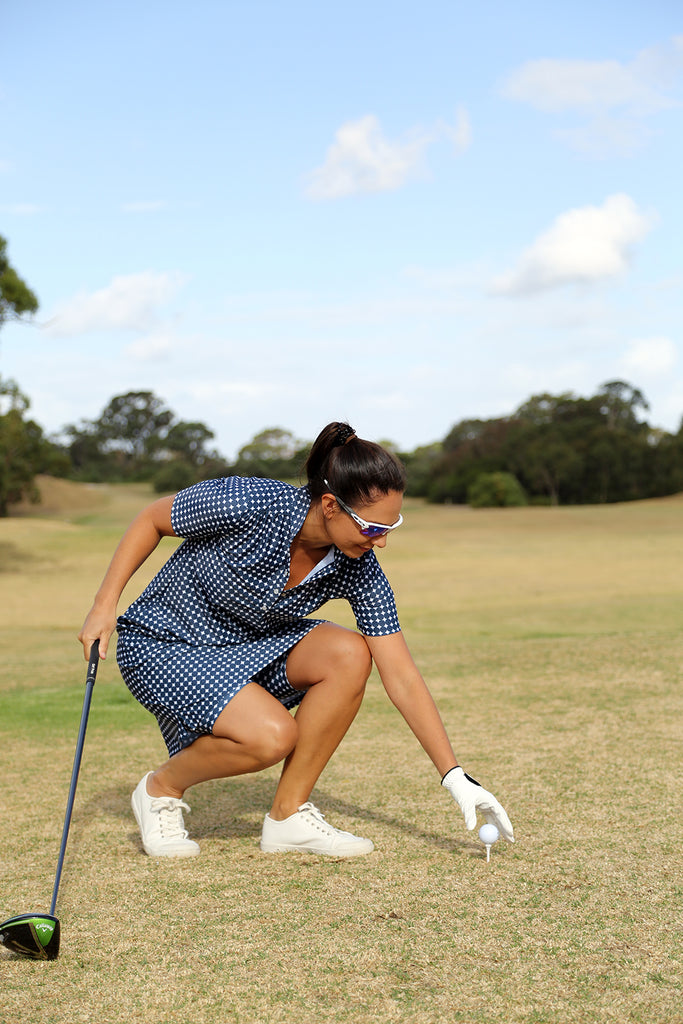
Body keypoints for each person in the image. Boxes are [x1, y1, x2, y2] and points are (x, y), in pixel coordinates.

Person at [78, 422, 514, 859]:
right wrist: (104, 604)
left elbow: (400, 674)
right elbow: (153, 518)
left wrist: (455, 776)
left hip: (246, 650)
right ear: (330, 505)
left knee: (349, 653)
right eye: (370, 528)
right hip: (164, 643)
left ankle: (287, 816)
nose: (382, 541)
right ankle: (160, 788)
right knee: (272, 737)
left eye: (391, 525)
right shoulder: (251, 502)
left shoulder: (359, 567)